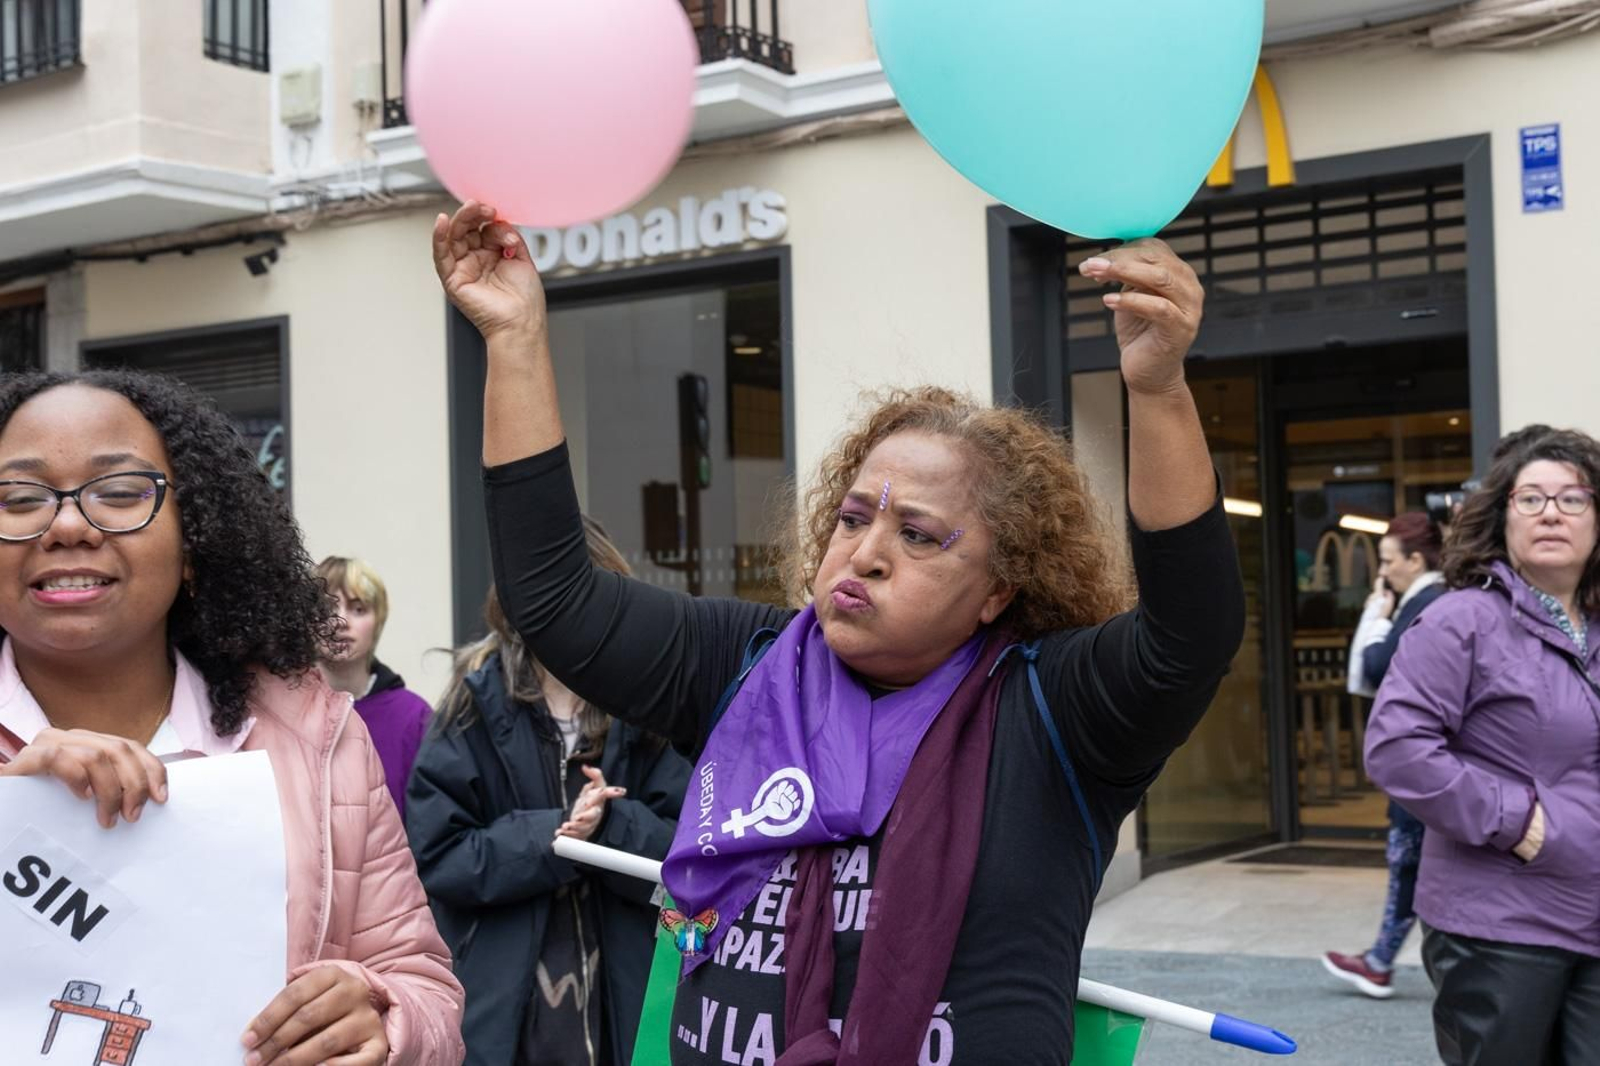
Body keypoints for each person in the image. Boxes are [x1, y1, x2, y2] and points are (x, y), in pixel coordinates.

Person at [433, 200, 1244, 1065]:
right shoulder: (746, 667)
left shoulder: (1053, 712)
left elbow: (1187, 635)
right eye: (853, 519)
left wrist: (1156, 390)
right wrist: (514, 340)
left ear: (999, 590)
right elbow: (556, 599)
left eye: (919, 536)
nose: (866, 554)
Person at [0, 370, 464, 1066]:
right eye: (20, 498)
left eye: (121, 493)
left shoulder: (318, 738)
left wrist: (381, 1023)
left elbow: (425, 988)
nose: (67, 525)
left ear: (195, 540)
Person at [406, 523, 691, 1066]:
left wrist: (608, 826)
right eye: (551, 597)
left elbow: (689, 860)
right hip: (502, 1009)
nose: (569, 620)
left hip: (626, 1003)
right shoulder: (474, 705)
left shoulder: (651, 708)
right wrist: (555, 835)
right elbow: (438, 856)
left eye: (587, 599)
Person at [1366, 427, 1600, 1064]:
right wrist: (1517, 821)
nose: (1552, 511)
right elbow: (1397, 748)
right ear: (1502, 517)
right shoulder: (1461, 619)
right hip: (1500, 925)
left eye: (1574, 498)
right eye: (1531, 499)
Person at [1325, 511, 1446, 998]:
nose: (1382, 573)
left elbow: (1377, 667)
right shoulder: (1433, 599)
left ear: (1416, 561)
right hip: (1426, 763)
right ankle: (1379, 959)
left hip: (1422, 764)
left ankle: (1379, 962)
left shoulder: (1426, 603)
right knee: (1414, 863)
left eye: (1388, 561)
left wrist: (1376, 617)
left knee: (1410, 860)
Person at [316, 555, 432, 818]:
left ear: (377, 622)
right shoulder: (283, 710)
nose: (340, 621)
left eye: (358, 609)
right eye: (326, 607)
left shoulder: (414, 717)